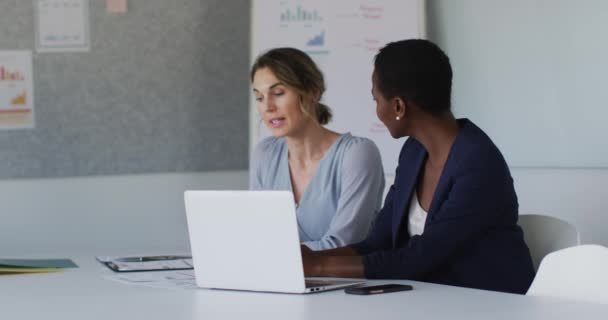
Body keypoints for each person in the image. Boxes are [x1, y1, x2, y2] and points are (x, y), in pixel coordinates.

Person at [301, 39, 535, 294]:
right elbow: (380, 242)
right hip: (430, 298)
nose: (377, 109)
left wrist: (320, 267)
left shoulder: (478, 165)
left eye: (376, 99)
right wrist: (310, 258)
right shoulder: (414, 152)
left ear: (398, 106)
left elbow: (419, 258)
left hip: (490, 303)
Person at [250, 47, 385, 251]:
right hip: (278, 280)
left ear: (313, 92)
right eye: (259, 97)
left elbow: (343, 245)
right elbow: (258, 236)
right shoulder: (264, 154)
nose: (267, 106)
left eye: (278, 93)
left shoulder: (357, 154)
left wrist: (274, 254)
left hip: (348, 282)